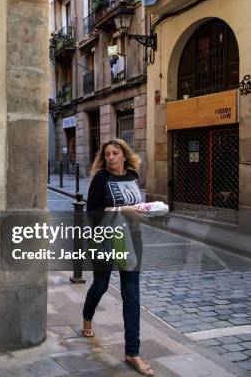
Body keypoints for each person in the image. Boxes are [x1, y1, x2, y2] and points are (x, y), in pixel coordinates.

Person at [81, 138, 154, 376]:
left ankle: (132, 352)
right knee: (100, 285)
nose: (111, 157)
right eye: (107, 154)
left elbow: (136, 205)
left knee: (131, 294)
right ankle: (87, 319)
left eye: (115, 153)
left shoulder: (133, 175)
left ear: (124, 154)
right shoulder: (101, 178)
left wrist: (146, 211)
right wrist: (121, 209)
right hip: (105, 238)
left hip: (132, 239)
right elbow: (92, 213)